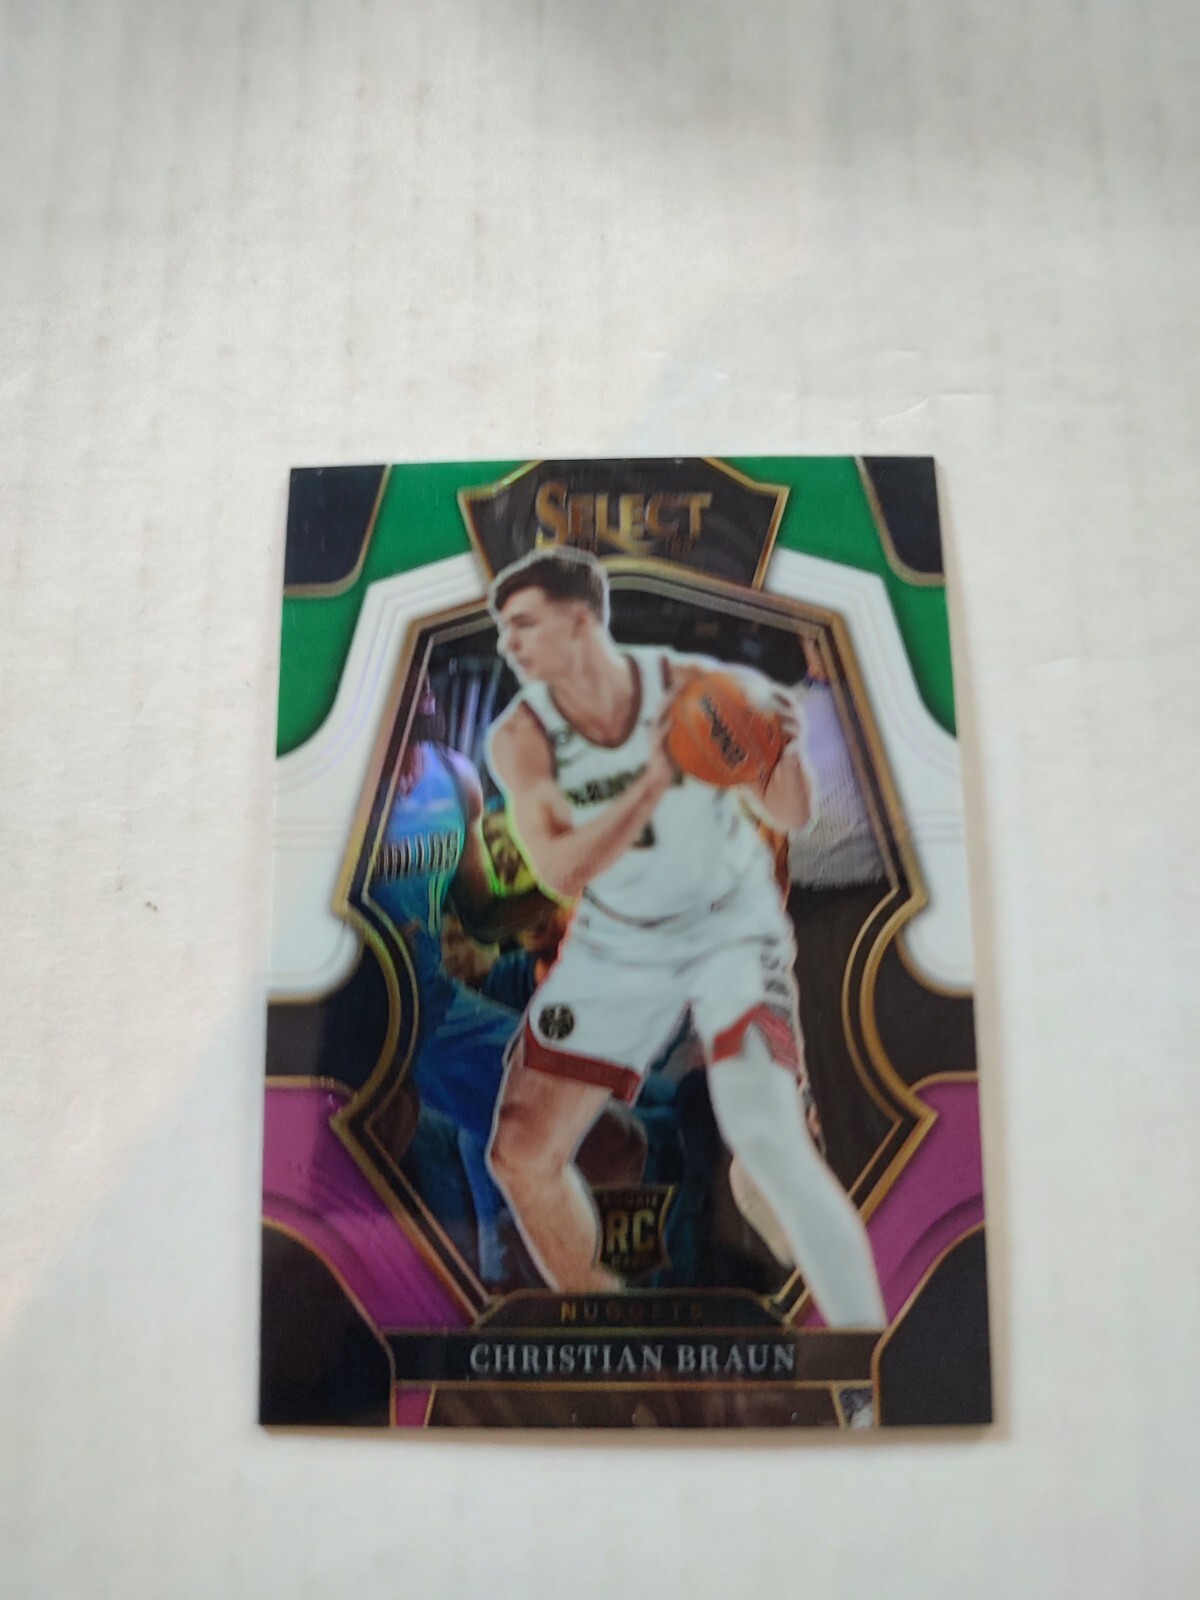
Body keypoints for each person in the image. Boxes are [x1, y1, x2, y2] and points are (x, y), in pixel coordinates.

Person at [483, 546, 886, 1327]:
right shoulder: (520, 736)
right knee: (522, 1156)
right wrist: (652, 784)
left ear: (581, 621)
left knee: (762, 1163)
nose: (510, 643)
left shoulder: (694, 689)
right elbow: (562, 868)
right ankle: (613, 1339)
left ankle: (871, 1337)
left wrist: (773, 753)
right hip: (618, 940)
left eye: (524, 624)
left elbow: (791, 813)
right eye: (505, 628)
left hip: (728, 926)